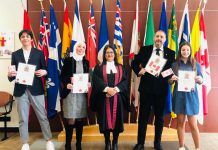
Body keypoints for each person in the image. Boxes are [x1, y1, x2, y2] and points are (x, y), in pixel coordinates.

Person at [7, 29, 55, 150]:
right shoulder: (15, 54)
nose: (25, 39)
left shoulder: (38, 53)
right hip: (20, 90)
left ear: (31, 39)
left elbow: (45, 70)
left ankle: (48, 140)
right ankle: (25, 143)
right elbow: (12, 74)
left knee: (42, 116)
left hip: (36, 89)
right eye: (22, 37)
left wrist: (44, 71)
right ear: (20, 39)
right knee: (23, 118)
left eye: (27, 37)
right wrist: (10, 74)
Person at [131, 30, 175, 150]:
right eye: (157, 36)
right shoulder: (145, 49)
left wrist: (172, 77)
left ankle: (157, 142)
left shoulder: (170, 53)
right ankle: (140, 143)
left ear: (164, 39)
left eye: (161, 37)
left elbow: (172, 70)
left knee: (160, 118)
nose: (159, 39)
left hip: (161, 90)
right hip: (146, 89)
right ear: (154, 38)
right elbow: (134, 63)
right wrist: (138, 71)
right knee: (143, 117)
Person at [90, 45, 130, 150]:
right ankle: (107, 142)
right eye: (107, 52)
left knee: (117, 121)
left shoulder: (121, 67)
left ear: (114, 54)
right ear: (104, 55)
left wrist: (115, 89)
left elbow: (125, 81)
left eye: (111, 52)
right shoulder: (99, 68)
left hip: (118, 98)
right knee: (104, 121)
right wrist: (107, 89)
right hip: (104, 98)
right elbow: (96, 81)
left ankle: (115, 142)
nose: (109, 54)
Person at [168, 42, 202, 150]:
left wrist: (200, 79)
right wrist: (171, 79)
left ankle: (197, 148)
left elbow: (201, 79)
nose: (185, 52)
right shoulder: (174, 65)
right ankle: (181, 147)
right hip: (179, 97)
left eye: (187, 50)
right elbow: (169, 81)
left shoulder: (196, 65)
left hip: (192, 97)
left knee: (193, 125)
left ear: (190, 51)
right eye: (183, 50)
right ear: (180, 51)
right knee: (180, 123)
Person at [60, 41, 89, 150]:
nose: (81, 49)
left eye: (83, 47)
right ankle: (68, 144)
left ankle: (78, 143)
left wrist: (88, 83)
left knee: (80, 119)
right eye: (78, 47)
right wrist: (67, 83)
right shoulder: (68, 61)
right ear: (75, 48)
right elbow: (62, 76)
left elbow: (88, 76)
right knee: (71, 119)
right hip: (70, 94)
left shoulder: (86, 62)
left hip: (81, 94)